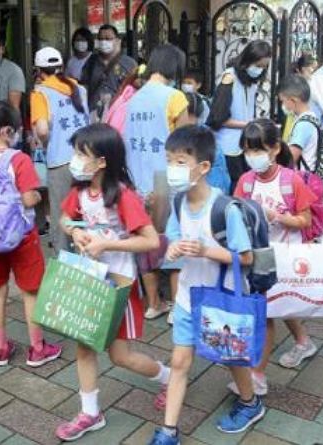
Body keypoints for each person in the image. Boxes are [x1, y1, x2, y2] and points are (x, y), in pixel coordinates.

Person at [57, 123, 170, 441]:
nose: (75, 159)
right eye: (75, 152)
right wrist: (75, 231)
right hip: (89, 280)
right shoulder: (79, 191)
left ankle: (169, 377)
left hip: (118, 284)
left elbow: (149, 241)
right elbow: (66, 218)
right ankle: (90, 413)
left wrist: (107, 244)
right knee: (84, 347)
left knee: (121, 356)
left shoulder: (122, 195)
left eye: (82, 153)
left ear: (103, 160)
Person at [148, 126, 260, 445]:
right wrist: (172, 248)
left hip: (219, 300)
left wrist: (205, 250)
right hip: (187, 297)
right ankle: (169, 431)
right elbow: (173, 235)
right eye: (170, 160)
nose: (173, 168)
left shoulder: (225, 208)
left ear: (204, 167)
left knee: (230, 358)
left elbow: (246, 257)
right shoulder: (180, 201)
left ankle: (251, 403)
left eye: (181, 161)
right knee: (180, 362)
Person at [0, 100, 62, 368]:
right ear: (7, 131)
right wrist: (35, 194)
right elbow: (29, 199)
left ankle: (0, 348)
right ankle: (37, 348)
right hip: (20, 235)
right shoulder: (18, 159)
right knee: (30, 292)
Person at [233, 119, 319, 396]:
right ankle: (303, 341)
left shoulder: (290, 180)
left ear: (274, 149)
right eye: (247, 151)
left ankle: (257, 375)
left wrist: (277, 217)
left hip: (285, 256)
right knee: (279, 305)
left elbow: (305, 220)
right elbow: (235, 214)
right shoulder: (246, 182)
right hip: (258, 259)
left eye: (257, 150)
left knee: (268, 314)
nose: (251, 157)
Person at [123, 44, 189, 321]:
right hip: (169, 178)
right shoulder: (175, 97)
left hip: (139, 179)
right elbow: (187, 143)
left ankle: (152, 303)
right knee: (174, 238)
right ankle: (176, 304)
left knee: (145, 240)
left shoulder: (132, 99)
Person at [30, 46, 89, 253]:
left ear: (38, 70)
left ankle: (65, 265)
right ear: (61, 66)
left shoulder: (40, 93)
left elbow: (43, 129)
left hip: (61, 162)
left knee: (62, 215)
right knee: (86, 213)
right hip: (86, 160)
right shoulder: (79, 89)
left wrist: (45, 143)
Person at [207, 40, 272, 191]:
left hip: (244, 143)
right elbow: (218, 118)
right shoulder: (229, 78)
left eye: (263, 67)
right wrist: (248, 124)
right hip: (228, 145)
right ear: (247, 60)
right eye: (258, 65)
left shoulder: (252, 81)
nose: (260, 70)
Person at [81, 24, 137, 121]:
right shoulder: (91, 62)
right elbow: (84, 88)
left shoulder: (129, 64)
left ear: (117, 41)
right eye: (101, 39)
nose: (104, 42)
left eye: (108, 39)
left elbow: (135, 91)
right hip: (94, 116)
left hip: (120, 117)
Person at [279, 75, 320, 171]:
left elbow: (290, 158)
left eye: (283, 101)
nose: (283, 105)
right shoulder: (312, 117)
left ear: (293, 100)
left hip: (302, 178)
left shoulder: (303, 125)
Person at [283, 52, 318, 141]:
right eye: (310, 67)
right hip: (294, 118)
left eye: (314, 68)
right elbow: (285, 107)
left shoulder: (312, 83)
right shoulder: (295, 83)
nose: (312, 71)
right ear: (302, 69)